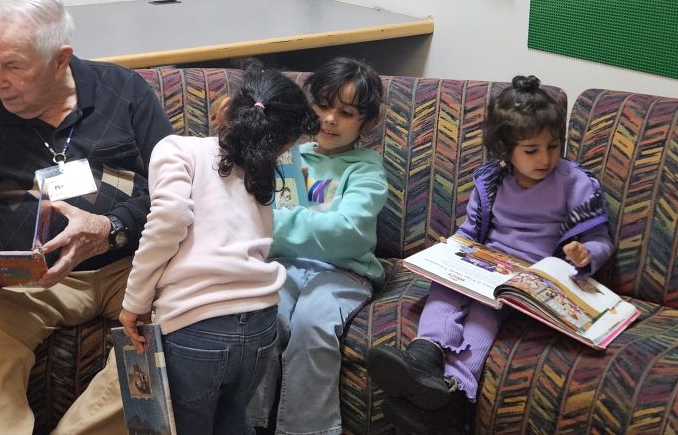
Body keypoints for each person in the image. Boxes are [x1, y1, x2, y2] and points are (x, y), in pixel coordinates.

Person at [0, 0, 173, 434]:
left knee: (189, 315)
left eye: (13, 66)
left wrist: (110, 227)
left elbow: (174, 188)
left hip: (131, 266)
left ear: (60, 59)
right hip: (28, 280)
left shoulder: (123, 91)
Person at [365, 75, 614, 434]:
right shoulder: (493, 180)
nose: (545, 158)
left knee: (485, 313)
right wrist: (452, 248)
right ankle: (423, 358)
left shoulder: (573, 182)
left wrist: (585, 253)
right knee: (445, 288)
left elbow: (600, 240)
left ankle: (455, 391)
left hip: (530, 278)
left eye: (553, 146)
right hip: (485, 262)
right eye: (531, 150)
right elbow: (471, 230)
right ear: (505, 149)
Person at [120, 65, 321, 435]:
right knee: (233, 423)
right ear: (285, 146)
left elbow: (169, 218)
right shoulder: (262, 172)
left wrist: (135, 301)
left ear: (225, 105)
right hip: (261, 323)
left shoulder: (177, 148)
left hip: (196, 325)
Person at [247, 57, 389, 435]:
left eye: (345, 113)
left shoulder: (366, 168)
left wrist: (276, 223)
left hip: (344, 272)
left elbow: (348, 232)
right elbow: (258, 215)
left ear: (367, 122)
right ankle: (247, 423)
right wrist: (286, 225)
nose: (329, 119)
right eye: (323, 106)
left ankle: (307, 430)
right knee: (263, 316)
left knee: (312, 324)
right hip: (284, 265)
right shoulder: (287, 155)